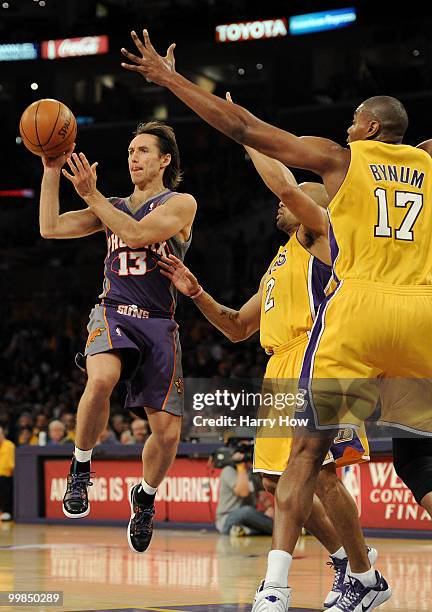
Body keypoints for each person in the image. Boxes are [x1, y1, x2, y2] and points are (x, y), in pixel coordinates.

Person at [122, 34, 432, 609]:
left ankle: (284, 587)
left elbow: (245, 130)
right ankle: (356, 576)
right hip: (423, 316)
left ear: (366, 130)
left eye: (352, 124)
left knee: (311, 461)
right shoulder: (426, 162)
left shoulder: (341, 166)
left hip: (357, 320)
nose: (345, 131)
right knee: (415, 459)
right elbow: (241, 324)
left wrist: (171, 81)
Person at [159, 137, 376, 609]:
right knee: (277, 482)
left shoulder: (326, 236)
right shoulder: (278, 262)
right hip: (279, 369)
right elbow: (237, 327)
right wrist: (196, 293)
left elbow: (283, 183)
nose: (280, 204)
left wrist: (244, 133)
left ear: (312, 205)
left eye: (291, 198)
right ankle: (348, 561)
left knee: (321, 475)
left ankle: (363, 571)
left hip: (322, 358)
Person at [39, 116, 197, 555]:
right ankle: (80, 467)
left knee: (167, 435)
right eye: (130, 152)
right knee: (101, 379)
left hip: (159, 321)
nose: (134, 158)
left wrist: (91, 195)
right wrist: (51, 170)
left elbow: (137, 233)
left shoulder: (181, 203)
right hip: (113, 313)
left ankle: (144, 497)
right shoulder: (110, 205)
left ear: (165, 160)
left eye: (143, 151)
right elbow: (49, 227)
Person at [216, 442, 273, 537]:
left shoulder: (252, 474)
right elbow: (243, 492)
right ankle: (283, 530)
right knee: (246, 511)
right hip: (227, 518)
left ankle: (244, 531)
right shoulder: (228, 471)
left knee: (252, 515)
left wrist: (270, 509)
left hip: (249, 519)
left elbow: (264, 500)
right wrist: (240, 465)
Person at [0, 425, 15, 521]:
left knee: (3, 480)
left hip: (7, 476)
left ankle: (6, 511)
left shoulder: (9, 445)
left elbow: (7, 466)